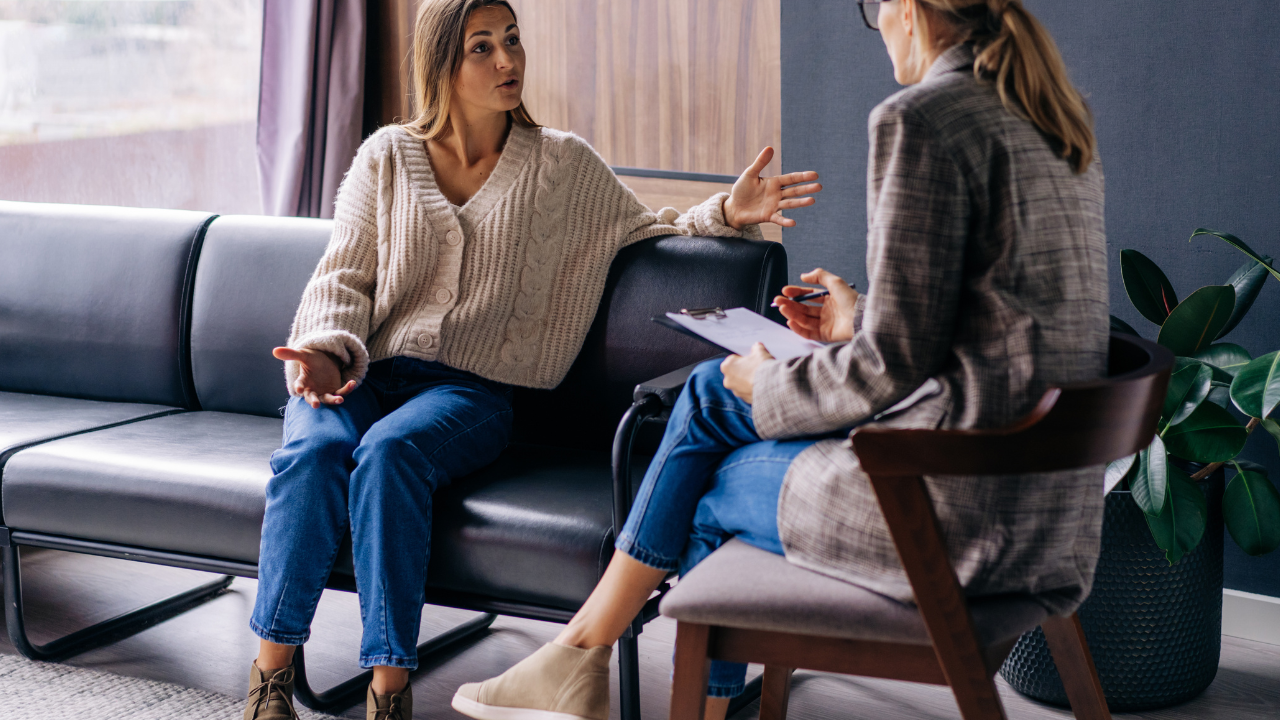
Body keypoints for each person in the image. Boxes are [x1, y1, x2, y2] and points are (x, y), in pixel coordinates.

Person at [452, 1, 1107, 719]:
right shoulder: (1051, 117)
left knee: (703, 479)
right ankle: (580, 659)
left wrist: (772, 380)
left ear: (910, 11)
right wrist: (858, 319)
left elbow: (890, 370)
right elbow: (991, 329)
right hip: (1044, 509)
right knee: (709, 398)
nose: (878, 25)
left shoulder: (921, 119)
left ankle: (583, 659)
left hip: (951, 517)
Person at [240, 1, 823, 719]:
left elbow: (646, 230)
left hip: (470, 394)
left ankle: (388, 691)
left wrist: (725, 215)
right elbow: (344, 277)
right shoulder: (386, 156)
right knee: (312, 455)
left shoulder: (560, 165)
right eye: (482, 48)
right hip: (361, 369)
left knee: (390, 455)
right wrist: (326, 355)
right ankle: (268, 682)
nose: (507, 61)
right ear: (442, 63)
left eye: (511, 41)